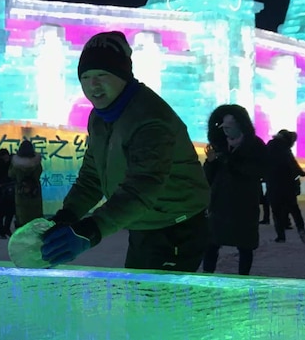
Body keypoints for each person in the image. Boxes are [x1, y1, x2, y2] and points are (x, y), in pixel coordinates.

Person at [40, 31, 210, 271]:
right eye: (86, 77)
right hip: (144, 222)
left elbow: (143, 186)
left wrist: (91, 230)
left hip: (176, 226)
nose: (93, 85)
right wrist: (68, 214)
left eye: (102, 75)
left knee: (157, 303)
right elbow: (92, 176)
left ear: (123, 75)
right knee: (138, 298)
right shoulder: (100, 118)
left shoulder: (150, 119)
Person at [201, 104, 267, 276]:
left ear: (240, 125)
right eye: (223, 127)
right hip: (219, 203)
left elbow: (259, 171)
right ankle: (207, 276)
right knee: (211, 243)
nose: (226, 131)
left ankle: (243, 278)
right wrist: (210, 162)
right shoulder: (219, 146)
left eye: (229, 127)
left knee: (245, 246)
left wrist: (230, 163)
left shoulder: (255, 146)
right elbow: (208, 176)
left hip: (244, 203)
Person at [265, 130, 305, 243]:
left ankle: (280, 236)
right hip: (287, 184)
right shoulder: (285, 150)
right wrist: (300, 172)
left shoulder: (270, 147)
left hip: (273, 184)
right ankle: (301, 228)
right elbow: (292, 164)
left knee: (276, 211)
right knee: (294, 209)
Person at [9, 140, 44, 229]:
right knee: (36, 212)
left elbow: (11, 174)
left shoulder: (16, 163)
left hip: (21, 192)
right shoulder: (36, 162)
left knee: (22, 213)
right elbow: (39, 173)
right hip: (34, 191)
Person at [0, 149, 16, 239]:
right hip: (1, 191)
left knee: (9, 211)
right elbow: (2, 174)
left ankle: (5, 230)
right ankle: (2, 231)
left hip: (5, 191)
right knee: (1, 213)